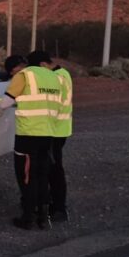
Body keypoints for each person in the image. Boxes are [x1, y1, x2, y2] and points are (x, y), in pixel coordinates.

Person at [0, 50, 62, 230]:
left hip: (28, 135)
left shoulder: (25, 75)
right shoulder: (54, 78)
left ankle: (28, 217)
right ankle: (44, 217)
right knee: (42, 175)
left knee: (27, 176)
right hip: (48, 133)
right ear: (43, 63)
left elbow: (6, 102)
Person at [49, 60, 73, 222]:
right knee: (55, 169)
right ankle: (56, 205)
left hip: (53, 132)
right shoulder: (63, 74)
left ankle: (58, 207)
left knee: (54, 171)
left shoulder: (55, 78)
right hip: (60, 130)